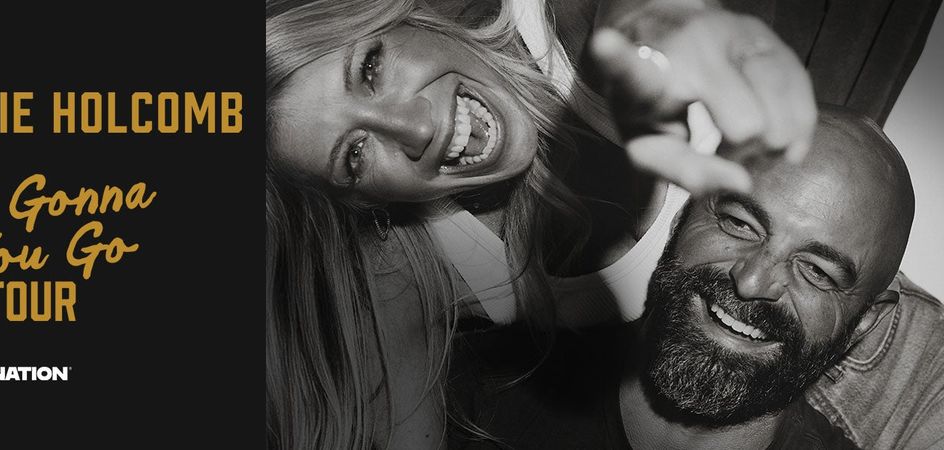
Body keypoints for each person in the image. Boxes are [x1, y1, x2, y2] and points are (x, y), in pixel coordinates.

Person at [265, 0, 817, 448]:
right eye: (354, 155)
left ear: (403, 16)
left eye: (370, 69)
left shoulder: (558, 24)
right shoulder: (406, 268)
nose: (415, 129)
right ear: (360, 202)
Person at [456, 108, 932, 448]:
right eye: (740, 223)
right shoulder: (477, 384)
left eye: (816, 271)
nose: (751, 281)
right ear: (684, 216)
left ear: (864, 323)